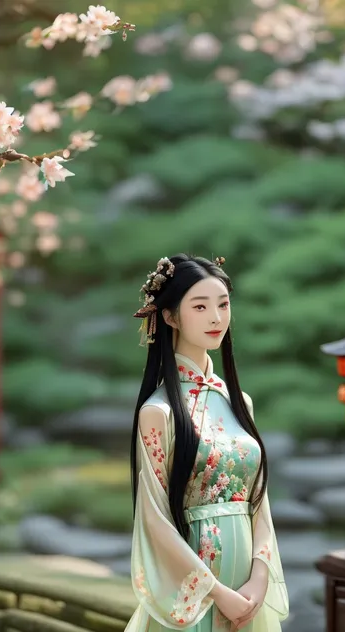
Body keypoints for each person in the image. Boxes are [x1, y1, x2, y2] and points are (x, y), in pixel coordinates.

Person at [126, 254, 289, 632]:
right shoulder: (159, 412)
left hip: (248, 585)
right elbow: (154, 519)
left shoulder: (238, 402)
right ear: (170, 317)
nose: (216, 317)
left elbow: (258, 498)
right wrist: (217, 592)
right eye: (200, 306)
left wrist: (259, 577)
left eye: (223, 304)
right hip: (196, 590)